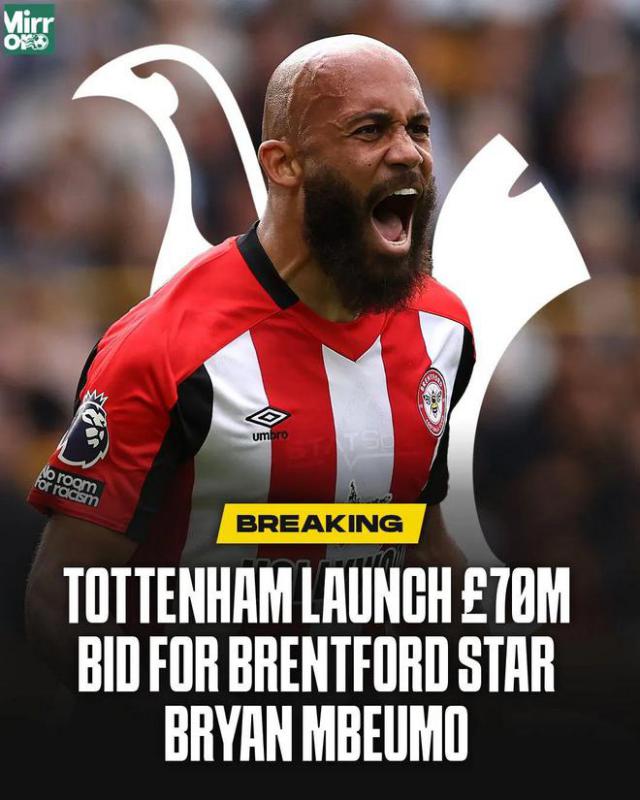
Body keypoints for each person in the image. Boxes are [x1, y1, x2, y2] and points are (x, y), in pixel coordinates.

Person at [26, 35, 474, 678]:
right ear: (283, 164)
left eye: (418, 129)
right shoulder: (163, 350)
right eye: (370, 130)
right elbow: (60, 601)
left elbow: (415, 536)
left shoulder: (443, 330)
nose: (408, 152)